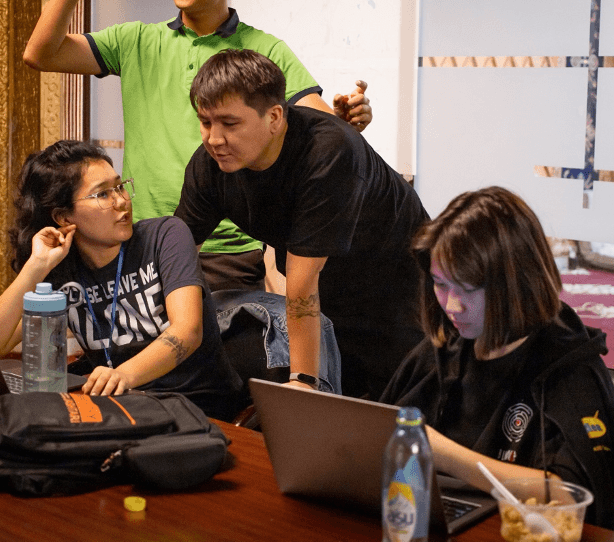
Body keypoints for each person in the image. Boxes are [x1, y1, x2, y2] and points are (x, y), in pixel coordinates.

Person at [22, 0, 372, 292]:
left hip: (230, 250)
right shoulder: (135, 40)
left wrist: (346, 116)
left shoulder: (264, 49)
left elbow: (317, 125)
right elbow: (40, 53)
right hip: (144, 240)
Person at [379, 187, 614, 534]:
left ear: (516, 283)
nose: (452, 306)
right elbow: (373, 435)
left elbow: (570, 498)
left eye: (468, 289)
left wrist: (437, 452)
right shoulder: (443, 349)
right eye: (440, 285)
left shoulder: (567, 368)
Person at [174, 49, 428, 400]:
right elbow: (178, 262)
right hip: (325, 282)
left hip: (396, 280)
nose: (214, 139)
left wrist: (302, 382)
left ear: (275, 117)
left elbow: (302, 283)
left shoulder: (328, 152)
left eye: (229, 123)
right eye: (205, 122)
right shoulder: (209, 167)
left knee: (391, 407)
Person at [0, 140, 244, 422]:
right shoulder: (62, 269)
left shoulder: (165, 236)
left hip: (198, 409)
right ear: (63, 216)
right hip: (118, 409)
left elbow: (187, 332)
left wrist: (123, 375)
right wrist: (36, 267)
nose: (121, 201)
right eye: (102, 194)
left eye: (119, 186)